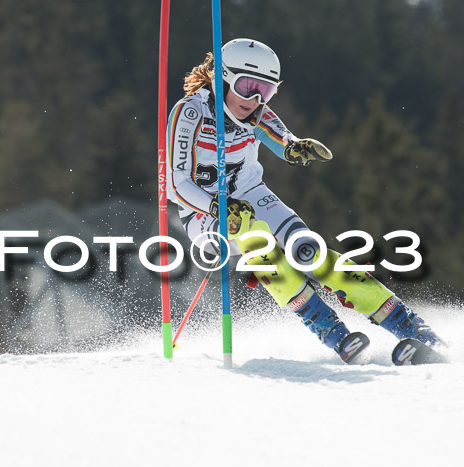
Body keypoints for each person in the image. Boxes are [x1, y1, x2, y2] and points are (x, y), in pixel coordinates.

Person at [166, 38, 443, 363]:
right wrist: (217, 207)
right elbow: (176, 183)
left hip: (252, 195)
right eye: (247, 86)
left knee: (309, 251)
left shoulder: (256, 114)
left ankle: (410, 326)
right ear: (223, 77)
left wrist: (296, 148)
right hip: (204, 214)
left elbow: (282, 139)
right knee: (256, 241)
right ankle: (332, 331)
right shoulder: (190, 112)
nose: (254, 99)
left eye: (265, 91)